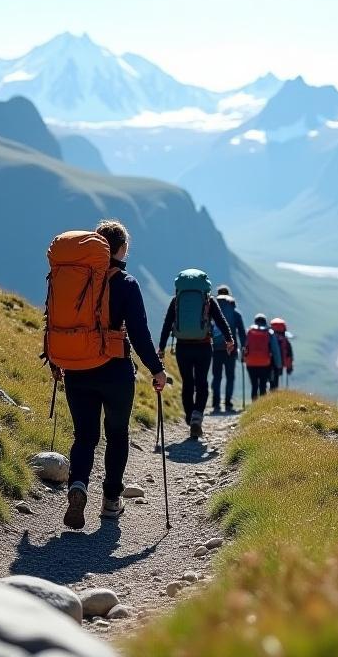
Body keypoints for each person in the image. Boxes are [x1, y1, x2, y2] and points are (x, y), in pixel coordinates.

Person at [50, 220, 168, 530]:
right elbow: (140, 333)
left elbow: (53, 317)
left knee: (85, 436)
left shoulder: (72, 276)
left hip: (76, 368)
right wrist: (156, 370)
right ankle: (111, 501)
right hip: (114, 371)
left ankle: (78, 485)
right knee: (117, 434)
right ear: (121, 249)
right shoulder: (126, 283)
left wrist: (55, 358)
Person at [158, 273, 234, 439]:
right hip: (204, 346)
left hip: (183, 347)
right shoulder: (209, 300)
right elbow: (221, 321)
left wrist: (162, 347)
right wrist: (229, 340)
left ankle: (189, 416)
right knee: (201, 382)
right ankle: (197, 417)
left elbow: (167, 324)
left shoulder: (176, 300)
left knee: (187, 382)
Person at [211, 285, 246, 413]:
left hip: (215, 348)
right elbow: (242, 332)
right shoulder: (235, 312)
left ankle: (215, 404)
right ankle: (228, 404)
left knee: (217, 377)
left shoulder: (212, 310)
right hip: (231, 348)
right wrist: (243, 348)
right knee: (230, 376)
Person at [244, 314, 281, 400]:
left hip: (251, 363)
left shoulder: (249, 331)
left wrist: (243, 358)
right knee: (263, 385)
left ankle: (254, 405)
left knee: (254, 385)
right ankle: (261, 407)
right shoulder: (269, 332)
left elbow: (244, 346)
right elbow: (275, 350)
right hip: (265, 363)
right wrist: (278, 365)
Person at [269, 317, 295, 389]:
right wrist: (289, 367)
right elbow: (289, 354)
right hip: (279, 364)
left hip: (267, 363)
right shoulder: (285, 341)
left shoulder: (268, 337)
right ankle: (274, 395)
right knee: (275, 382)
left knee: (269, 380)